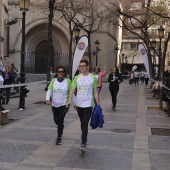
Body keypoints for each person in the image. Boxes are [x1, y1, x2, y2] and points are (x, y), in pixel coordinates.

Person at [66, 59, 99, 155]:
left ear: (88, 66)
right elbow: (72, 90)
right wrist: (69, 100)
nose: (81, 68)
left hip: (88, 104)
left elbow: (95, 92)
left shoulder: (93, 78)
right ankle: (84, 137)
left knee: (85, 122)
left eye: (83, 66)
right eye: (80, 66)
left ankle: (83, 143)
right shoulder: (76, 78)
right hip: (78, 104)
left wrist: (98, 104)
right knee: (82, 123)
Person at [46, 66, 71, 145]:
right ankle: (61, 127)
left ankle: (59, 137)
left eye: (62, 72)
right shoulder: (53, 81)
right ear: (56, 73)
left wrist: (74, 102)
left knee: (60, 119)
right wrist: (47, 99)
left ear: (64, 73)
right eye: (59, 72)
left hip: (64, 104)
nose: (60, 73)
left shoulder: (68, 81)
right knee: (55, 119)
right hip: (54, 104)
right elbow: (49, 90)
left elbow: (71, 92)